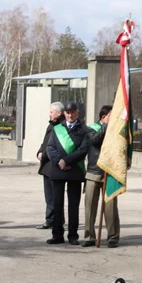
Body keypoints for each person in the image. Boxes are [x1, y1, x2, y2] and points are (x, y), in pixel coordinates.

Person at [42, 102, 90, 245]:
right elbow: (50, 147)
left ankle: (73, 235)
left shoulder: (84, 130)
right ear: (64, 114)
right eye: (68, 113)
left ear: (77, 113)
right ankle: (57, 235)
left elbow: (83, 149)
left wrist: (67, 161)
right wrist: (59, 162)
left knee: (73, 205)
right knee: (57, 204)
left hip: (75, 170)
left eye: (73, 112)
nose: (70, 115)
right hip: (58, 170)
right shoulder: (57, 129)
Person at [82, 105, 119, 248]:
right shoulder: (91, 128)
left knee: (110, 207)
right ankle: (89, 236)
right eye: (111, 116)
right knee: (90, 207)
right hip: (94, 172)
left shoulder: (116, 130)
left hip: (110, 172)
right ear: (104, 117)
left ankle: (113, 236)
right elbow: (95, 141)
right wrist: (105, 126)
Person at [36, 103, 62, 229]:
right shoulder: (51, 125)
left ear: (59, 113)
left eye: (52, 112)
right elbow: (45, 142)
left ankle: (52, 219)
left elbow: (53, 146)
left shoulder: (60, 127)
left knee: (52, 195)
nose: (49, 114)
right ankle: (55, 218)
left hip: (53, 165)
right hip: (47, 165)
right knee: (50, 195)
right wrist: (39, 152)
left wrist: (44, 154)